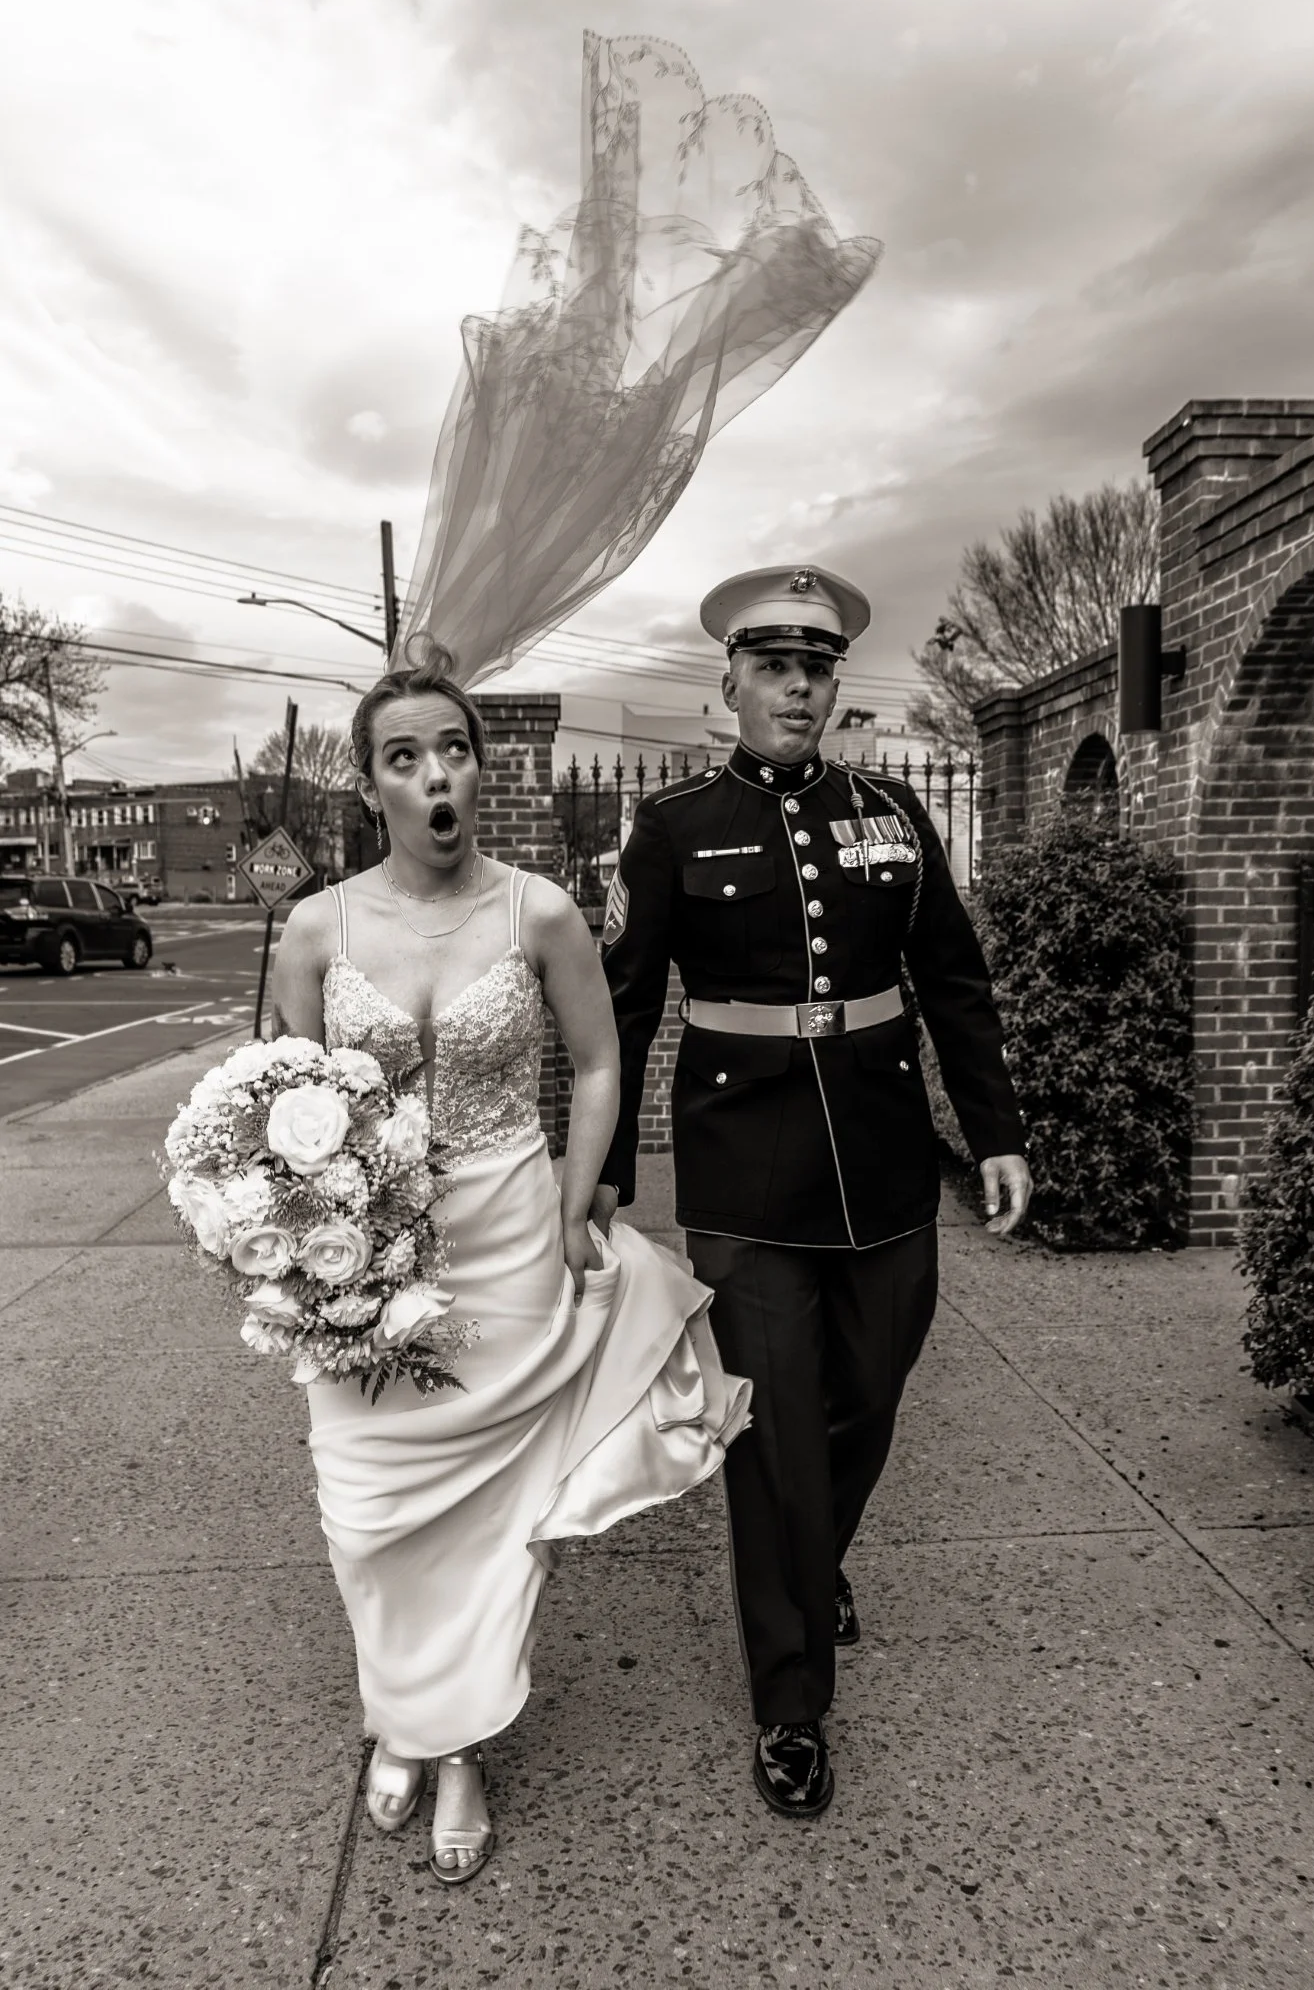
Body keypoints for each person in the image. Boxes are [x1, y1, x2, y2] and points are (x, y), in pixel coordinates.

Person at [270, 650, 750, 1885]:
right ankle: (401, 1710)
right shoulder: (314, 927)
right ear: (369, 783)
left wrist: (584, 1194)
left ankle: (460, 1739)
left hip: (507, 1237)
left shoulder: (537, 908)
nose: (436, 775)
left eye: (454, 749)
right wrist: (286, 1229)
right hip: (360, 1255)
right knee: (366, 1514)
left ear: (480, 765)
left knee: (497, 1517)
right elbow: (277, 1101)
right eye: (404, 755)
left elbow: (599, 1060)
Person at [592, 564, 1032, 1820]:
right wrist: (609, 1176)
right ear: (727, 680)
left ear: (837, 684)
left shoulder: (892, 809)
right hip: (744, 1163)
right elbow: (623, 1008)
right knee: (772, 1425)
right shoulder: (672, 826)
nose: (796, 684)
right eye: (773, 664)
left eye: (817, 666)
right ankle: (791, 1699)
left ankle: (811, 1551)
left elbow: (952, 976)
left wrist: (991, 1128)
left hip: (885, 1150)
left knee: (873, 1386)